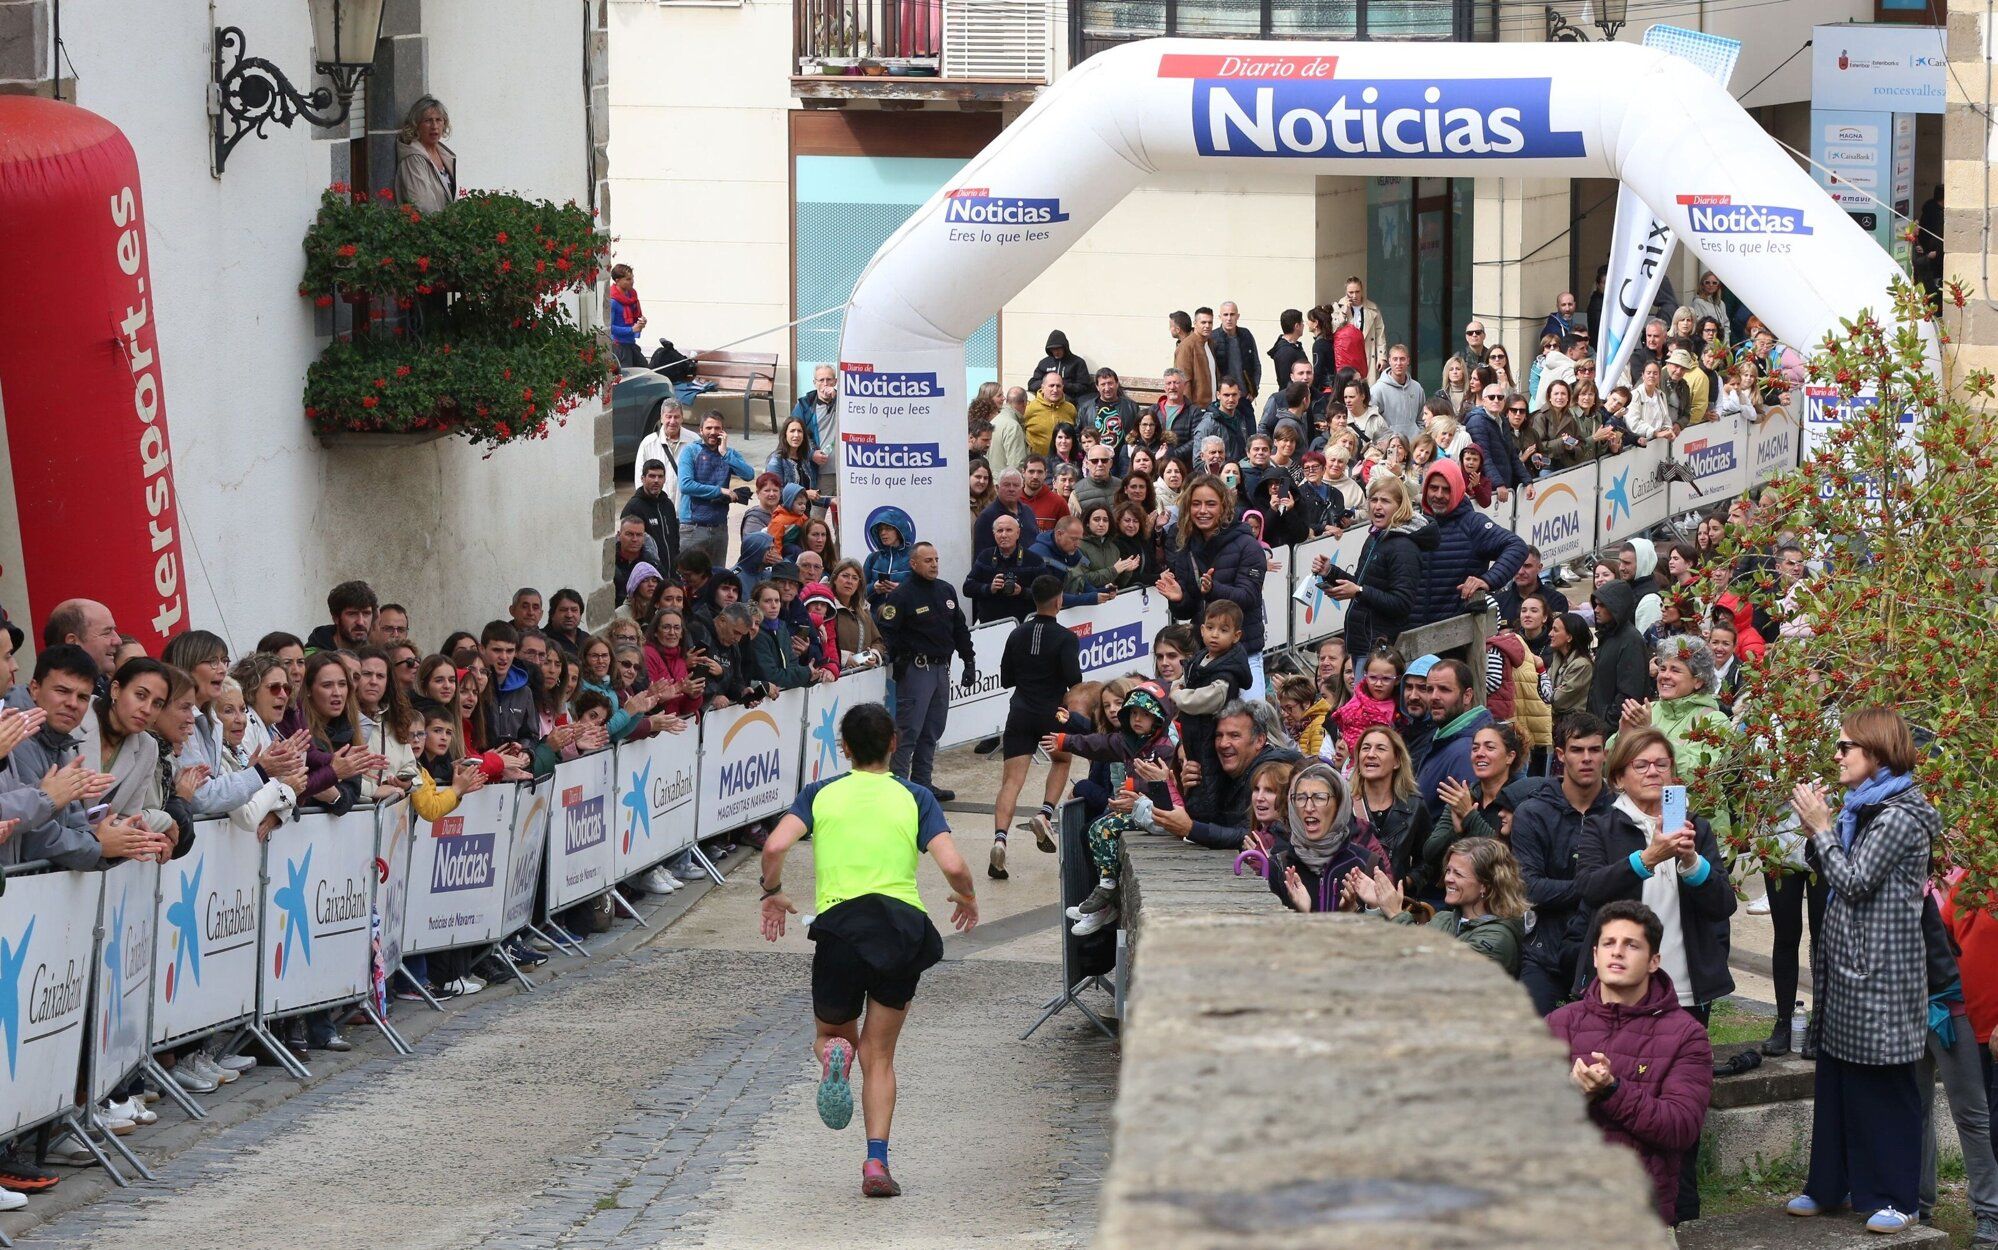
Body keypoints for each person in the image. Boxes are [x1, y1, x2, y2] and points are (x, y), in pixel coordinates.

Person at [756, 702, 978, 1199]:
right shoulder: (916, 796)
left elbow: (773, 848)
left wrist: (770, 892)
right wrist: (966, 895)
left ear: (845, 748)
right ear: (895, 746)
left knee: (834, 1034)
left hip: (840, 927)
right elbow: (955, 863)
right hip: (901, 930)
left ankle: (835, 1054)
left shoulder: (820, 793)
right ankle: (876, 1163)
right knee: (881, 1055)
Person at [1785, 708, 1939, 1235]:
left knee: (1886, 1088)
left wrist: (1824, 829)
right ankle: (1830, 1186)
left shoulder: (1899, 815)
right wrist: (1819, 831)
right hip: (1848, 970)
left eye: (1846, 746)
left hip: (1884, 976)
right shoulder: (1864, 808)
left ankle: (1899, 1197)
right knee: (1837, 1082)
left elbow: (1852, 881)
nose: (1838, 755)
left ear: (1875, 752)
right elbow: (1834, 870)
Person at [1548, 900, 1715, 1226]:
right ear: (1594, 956)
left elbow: (1680, 1128)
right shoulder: (1558, 1023)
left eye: (1631, 945)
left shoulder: (1687, 1035)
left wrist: (1612, 1091)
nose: (1617, 952)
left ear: (1654, 961)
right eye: (1609, 943)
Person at [1578, 729, 1736, 1022]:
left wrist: (1691, 861)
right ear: (1618, 778)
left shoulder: (1695, 828)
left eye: (1662, 765)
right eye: (1641, 765)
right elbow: (1590, 888)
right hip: (1621, 981)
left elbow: (1723, 905)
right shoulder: (1602, 827)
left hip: (1686, 985)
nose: (1653, 772)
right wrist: (1647, 859)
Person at [1046, 682, 1178, 934]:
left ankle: (1106, 890)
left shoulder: (1164, 749)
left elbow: (1166, 793)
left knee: (1102, 830)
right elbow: (1098, 743)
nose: (1137, 720)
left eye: (1145, 715)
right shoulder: (1128, 740)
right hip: (1136, 808)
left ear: (1159, 718)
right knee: (1095, 829)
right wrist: (1065, 741)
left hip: (1155, 814)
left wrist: (1140, 792)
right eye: (1134, 714)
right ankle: (1104, 895)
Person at [1511, 713, 1617, 1016]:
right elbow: (1529, 888)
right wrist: (1596, 886)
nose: (1587, 758)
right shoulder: (1533, 813)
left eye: (1594, 750)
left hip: (1605, 948)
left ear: (1605, 755)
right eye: (1577, 750)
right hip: (1545, 947)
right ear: (1560, 754)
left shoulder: (1619, 812)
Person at [984, 575, 1082, 880]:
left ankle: (1000, 839)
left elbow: (1006, 679)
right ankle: (1044, 814)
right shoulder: (1066, 638)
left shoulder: (1016, 635)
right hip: (1052, 710)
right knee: (1062, 761)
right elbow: (1074, 682)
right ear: (1059, 600)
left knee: (1011, 781)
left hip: (1021, 710)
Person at [877, 543, 975, 803]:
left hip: (942, 668)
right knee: (909, 731)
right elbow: (887, 629)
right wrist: (901, 658)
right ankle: (898, 786)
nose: (933, 564)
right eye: (927, 560)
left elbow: (960, 629)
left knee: (932, 730)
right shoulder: (902, 595)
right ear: (913, 564)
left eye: (936, 559)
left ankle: (922, 783)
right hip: (916, 670)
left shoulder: (946, 590)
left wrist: (969, 661)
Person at [1347, 837, 1527, 975]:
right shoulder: (1444, 919)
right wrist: (1376, 906)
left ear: (1485, 886)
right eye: (1448, 870)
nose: (1448, 878)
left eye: (1458, 873)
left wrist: (1396, 913)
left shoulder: (1498, 939)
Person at [1158, 475, 1267, 694]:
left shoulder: (1248, 546)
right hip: (1205, 653)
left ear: (1224, 507)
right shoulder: (1185, 546)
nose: (1202, 510)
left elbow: (1248, 597)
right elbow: (1190, 608)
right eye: (1196, 504)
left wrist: (1213, 589)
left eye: (1210, 504)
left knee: (1250, 721)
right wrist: (1178, 599)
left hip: (1244, 651)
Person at [1411, 458, 1526, 629]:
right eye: (1434, 488)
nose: (1439, 495)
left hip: (1457, 638)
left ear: (1457, 489)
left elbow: (1517, 547)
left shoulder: (1472, 524)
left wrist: (1488, 580)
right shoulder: (1414, 523)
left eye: (1447, 489)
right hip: (1412, 637)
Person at [1257, 761, 1383, 913]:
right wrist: (1300, 913)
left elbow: (1386, 932)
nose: (1309, 808)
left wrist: (1358, 912)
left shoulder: (1368, 864)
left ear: (1339, 804)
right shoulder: (1279, 867)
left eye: (1320, 798)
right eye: (1301, 798)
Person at [677, 411, 758, 566]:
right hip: (693, 527)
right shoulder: (691, 451)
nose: (713, 432)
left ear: (723, 431)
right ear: (700, 430)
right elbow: (686, 485)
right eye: (708, 428)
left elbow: (749, 474)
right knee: (688, 578)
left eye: (717, 428)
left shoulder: (728, 453)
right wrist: (720, 491)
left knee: (717, 578)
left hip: (719, 527)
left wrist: (725, 454)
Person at [1588, 579, 1654, 724]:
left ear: (1616, 607)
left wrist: (1608, 722)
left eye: (1602, 605)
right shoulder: (1608, 635)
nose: (1596, 610)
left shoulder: (1631, 641)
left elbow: (1629, 692)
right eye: (1596, 604)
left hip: (1615, 729)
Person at [394, 95, 456, 215]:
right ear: (416, 125)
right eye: (428, 121)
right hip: (431, 230)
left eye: (439, 120)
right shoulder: (413, 159)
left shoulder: (444, 155)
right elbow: (423, 206)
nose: (434, 126)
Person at [1546, 611, 1595, 720]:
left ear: (1569, 637)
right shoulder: (1557, 658)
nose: (1550, 634)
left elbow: (1558, 700)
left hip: (1573, 725)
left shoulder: (1582, 665)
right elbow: (1542, 687)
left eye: (1555, 630)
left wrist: (1551, 692)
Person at [1210, 301, 1260, 401]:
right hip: (1223, 400)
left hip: (1244, 397)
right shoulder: (1212, 338)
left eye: (1232, 314)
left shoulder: (1246, 335)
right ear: (1220, 317)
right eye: (1225, 315)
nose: (1229, 318)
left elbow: (1256, 365)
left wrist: (1254, 390)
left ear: (1237, 316)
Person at [791, 363, 840, 464]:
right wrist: (811, 454)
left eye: (829, 379)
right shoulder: (804, 406)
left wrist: (837, 399)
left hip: (842, 467)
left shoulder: (845, 403)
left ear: (835, 382)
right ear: (815, 383)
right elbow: (791, 436)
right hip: (817, 469)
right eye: (821, 380)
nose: (825, 383)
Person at [1023, 369, 1078, 458]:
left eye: (1058, 386)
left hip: (1063, 464)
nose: (1055, 390)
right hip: (1037, 464)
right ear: (1043, 387)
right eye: (1051, 386)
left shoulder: (1070, 409)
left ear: (1063, 388)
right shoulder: (1029, 408)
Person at [1025, 330, 1090, 403]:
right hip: (1045, 401)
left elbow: (1084, 387)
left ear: (1065, 347)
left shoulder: (1077, 362)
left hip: (1068, 401)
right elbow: (1032, 384)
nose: (1056, 352)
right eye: (1053, 349)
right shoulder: (1044, 363)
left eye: (1058, 348)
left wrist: (1062, 385)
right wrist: (1049, 385)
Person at [1169, 309, 1214, 408]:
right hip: (1197, 410)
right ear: (1195, 323)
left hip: (1213, 407)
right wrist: (1188, 411)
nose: (1207, 326)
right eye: (1203, 322)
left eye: (1210, 322)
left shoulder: (1210, 343)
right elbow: (1184, 382)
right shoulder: (1186, 346)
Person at [607, 263, 647, 369]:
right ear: (617, 280)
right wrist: (632, 329)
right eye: (628, 279)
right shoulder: (612, 301)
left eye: (632, 278)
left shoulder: (632, 295)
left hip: (630, 343)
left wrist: (641, 321)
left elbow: (635, 316)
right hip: (619, 346)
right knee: (627, 376)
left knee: (645, 369)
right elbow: (609, 328)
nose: (632, 282)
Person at [989, 387, 1029, 475]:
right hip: (1007, 483)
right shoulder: (1014, 426)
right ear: (1024, 403)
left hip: (991, 480)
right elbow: (1017, 464)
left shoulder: (993, 421)